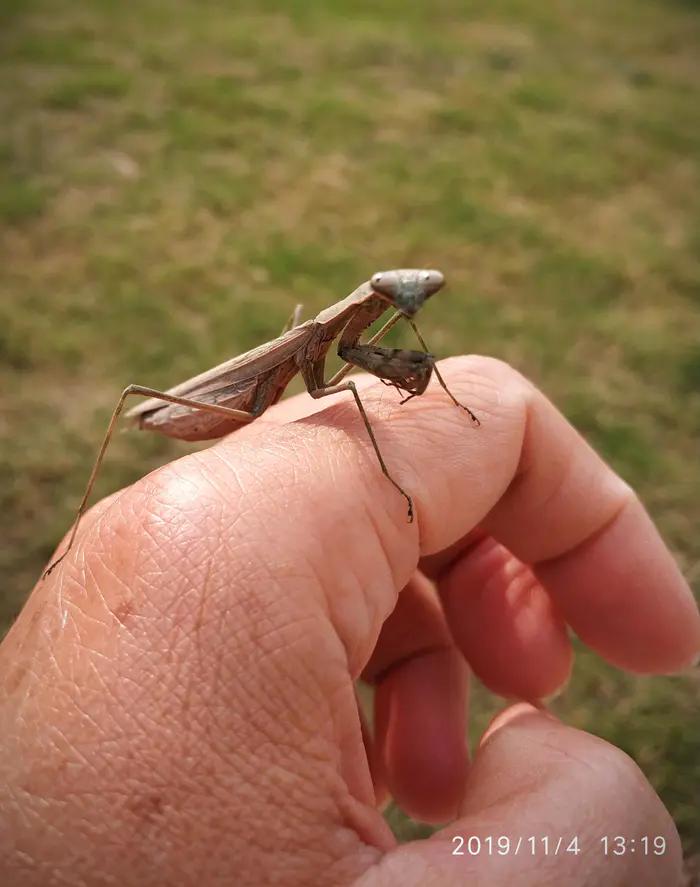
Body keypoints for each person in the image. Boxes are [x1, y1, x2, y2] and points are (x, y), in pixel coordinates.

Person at [1, 356, 698, 886]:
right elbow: (344, 386)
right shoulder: (325, 347)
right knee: (140, 394)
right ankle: (87, 512)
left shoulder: (349, 347)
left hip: (265, 405)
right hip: (220, 400)